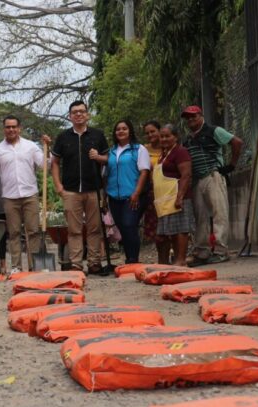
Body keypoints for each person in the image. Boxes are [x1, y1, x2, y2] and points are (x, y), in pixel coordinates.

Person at [48, 100, 109, 275]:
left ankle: (94, 262)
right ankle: (76, 263)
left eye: (82, 111)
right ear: (70, 116)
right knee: (74, 229)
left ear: (87, 114)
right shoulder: (63, 137)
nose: (79, 114)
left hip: (94, 189)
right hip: (71, 190)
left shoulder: (97, 135)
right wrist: (59, 186)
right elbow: (55, 163)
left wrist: (98, 157)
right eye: (75, 112)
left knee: (94, 228)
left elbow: (108, 160)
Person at [181, 106, 243, 265]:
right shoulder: (188, 139)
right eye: (187, 118)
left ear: (201, 116)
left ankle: (221, 251)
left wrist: (231, 165)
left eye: (193, 116)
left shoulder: (214, 130)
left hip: (213, 175)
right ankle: (202, 252)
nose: (190, 120)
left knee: (219, 213)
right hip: (197, 179)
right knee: (200, 216)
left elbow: (236, 142)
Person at [0, 115, 43, 275]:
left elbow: (45, 164)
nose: (11, 129)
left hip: (30, 194)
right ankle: (16, 266)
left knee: (32, 231)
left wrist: (47, 148)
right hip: (9, 197)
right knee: (14, 232)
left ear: (19, 128)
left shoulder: (31, 146)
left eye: (14, 127)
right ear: (4, 129)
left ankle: (34, 266)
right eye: (8, 127)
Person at [90, 119, 150, 264]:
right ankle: (129, 258)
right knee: (122, 227)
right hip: (113, 197)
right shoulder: (111, 152)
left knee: (129, 224)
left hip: (133, 196)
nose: (121, 131)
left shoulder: (139, 149)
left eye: (124, 128)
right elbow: (106, 175)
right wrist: (104, 197)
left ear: (130, 131)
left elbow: (144, 172)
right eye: (118, 129)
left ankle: (133, 259)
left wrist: (136, 193)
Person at [155, 124, 194, 266]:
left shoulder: (180, 152)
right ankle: (164, 262)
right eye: (162, 136)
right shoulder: (163, 154)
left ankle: (180, 260)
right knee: (163, 235)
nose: (164, 139)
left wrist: (180, 197)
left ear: (175, 137)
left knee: (180, 230)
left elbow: (186, 174)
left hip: (177, 197)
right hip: (164, 201)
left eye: (167, 136)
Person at [142, 120, 171, 263]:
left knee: (171, 226)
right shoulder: (143, 150)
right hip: (152, 193)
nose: (150, 135)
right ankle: (162, 260)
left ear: (160, 131)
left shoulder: (168, 147)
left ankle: (175, 257)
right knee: (157, 228)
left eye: (152, 131)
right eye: (147, 133)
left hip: (170, 191)